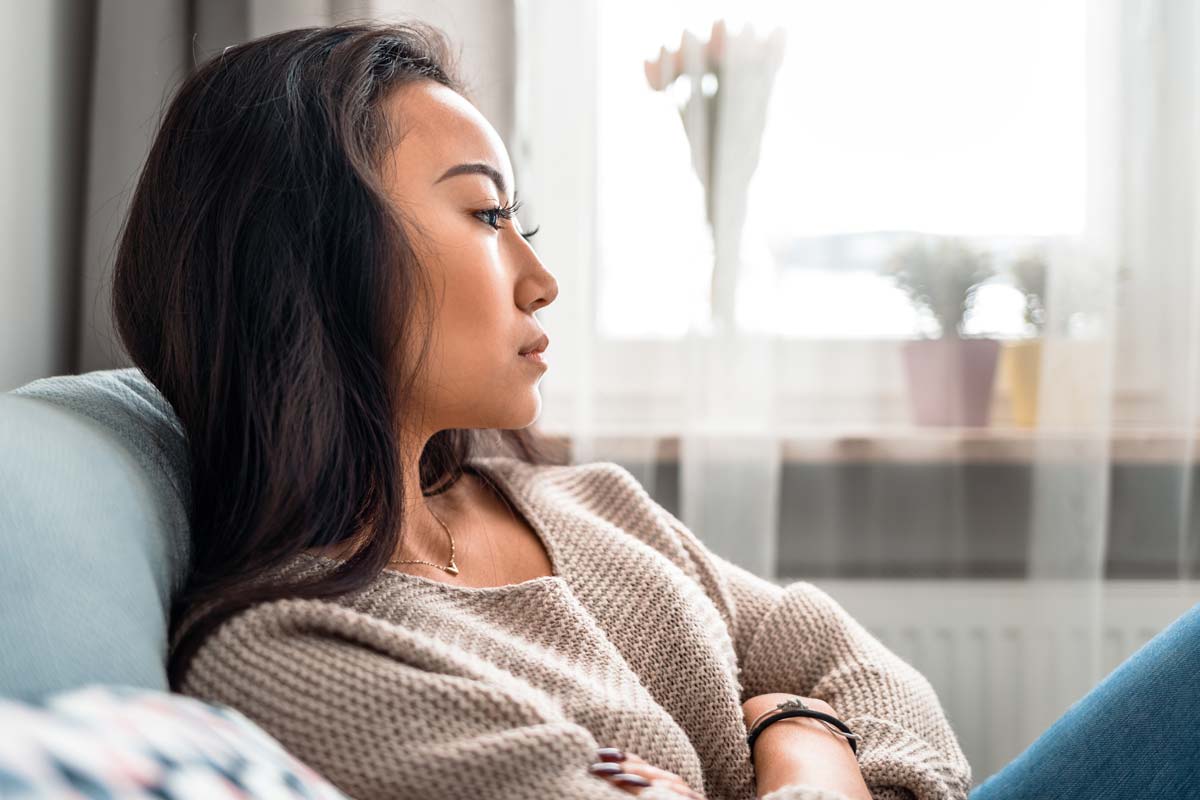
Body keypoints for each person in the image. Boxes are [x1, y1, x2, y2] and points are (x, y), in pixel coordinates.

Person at [106, 19, 1199, 800]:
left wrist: (801, 724)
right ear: (310, 259)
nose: (540, 278)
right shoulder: (296, 650)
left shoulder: (587, 505)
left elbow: (864, 668)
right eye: (486, 216)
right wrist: (799, 729)